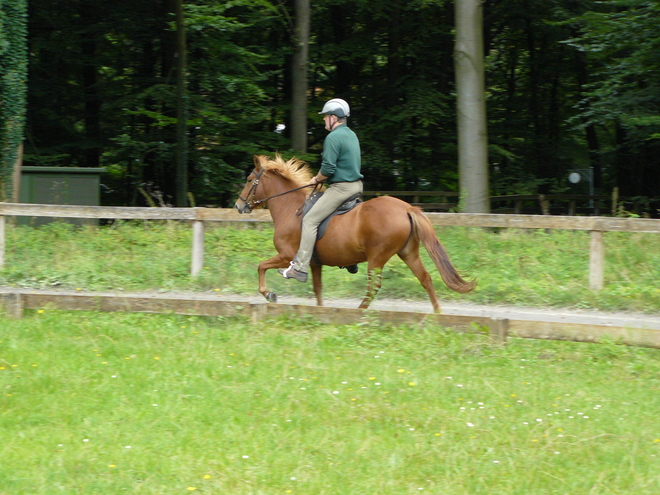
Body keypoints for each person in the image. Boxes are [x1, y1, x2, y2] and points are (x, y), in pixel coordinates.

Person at [279, 98, 363, 282]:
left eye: (326, 116)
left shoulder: (333, 137)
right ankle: (350, 259)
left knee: (309, 220)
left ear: (334, 117)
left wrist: (316, 179)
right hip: (356, 186)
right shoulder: (351, 134)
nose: (324, 120)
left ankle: (300, 268)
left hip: (341, 188)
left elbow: (328, 169)